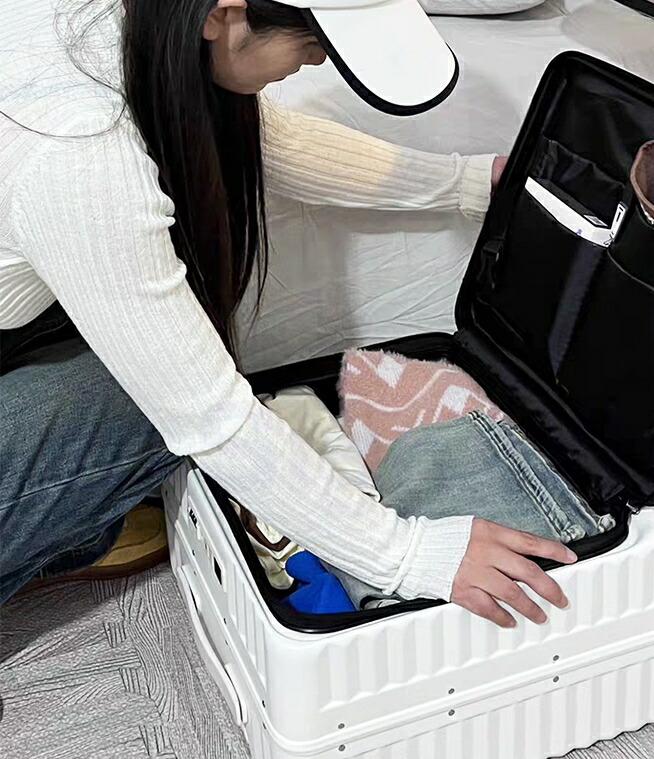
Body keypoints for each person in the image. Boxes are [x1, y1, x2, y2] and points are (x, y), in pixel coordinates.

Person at [0, 0, 576, 627]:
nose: (322, 59)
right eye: (313, 39)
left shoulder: (127, 27)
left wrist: (468, 181)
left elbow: (275, 141)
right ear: (223, 16)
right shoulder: (77, 148)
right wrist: (406, 556)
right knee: (151, 394)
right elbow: (207, 415)